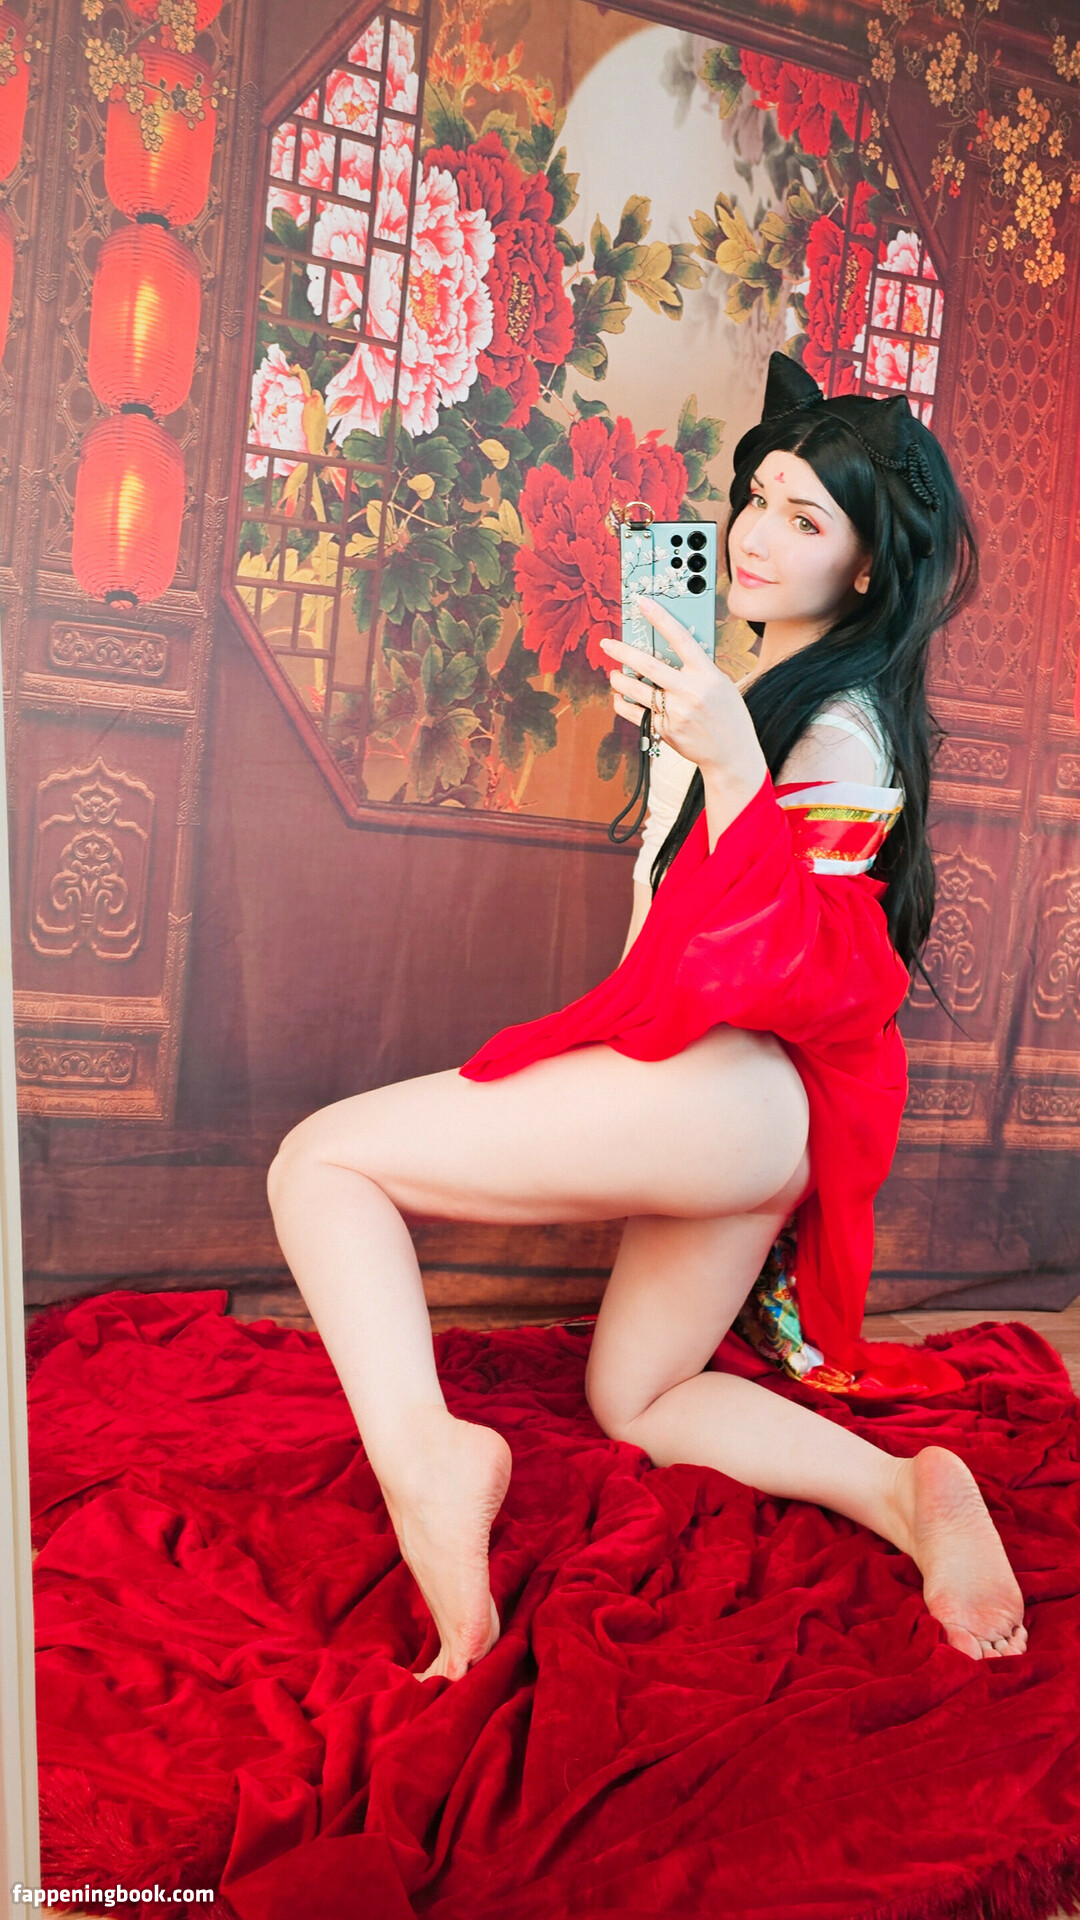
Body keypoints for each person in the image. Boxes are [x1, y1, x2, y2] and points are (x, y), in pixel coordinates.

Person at [266, 353, 1026, 1684]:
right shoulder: (752, 690)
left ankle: (431, 1462)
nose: (757, 535)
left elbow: (808, 966)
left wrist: (728, 768)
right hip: (738, 1114)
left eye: (806, 518)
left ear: (864, 569)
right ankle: (907, 1491)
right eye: (760, 497)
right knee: (641, 1396)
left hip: (733, 1092)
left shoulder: (839, 732)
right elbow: (680, 923)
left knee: (318, 1163)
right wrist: (699, 750)